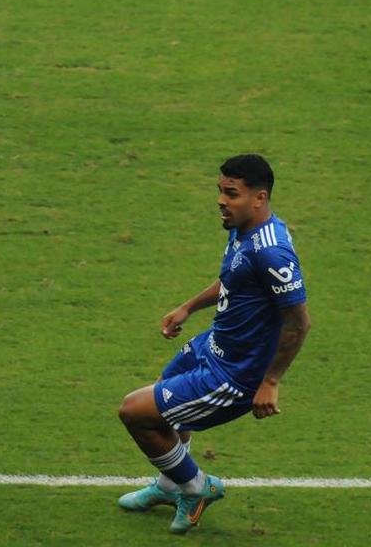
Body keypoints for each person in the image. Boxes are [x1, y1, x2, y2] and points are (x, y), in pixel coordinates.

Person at [116, 154, 312, 535]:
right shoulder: (243, 228)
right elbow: (235, 280)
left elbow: (299, 322)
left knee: (135, 412)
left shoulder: (273, 252)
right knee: (162, 405)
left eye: (231, 193)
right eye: (220, 191)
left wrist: (270, 381)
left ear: (260, 197)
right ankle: (172, 485)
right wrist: (188, 307)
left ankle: (194, 488)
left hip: (235, 374)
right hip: (213, 345)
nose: (221, 200)